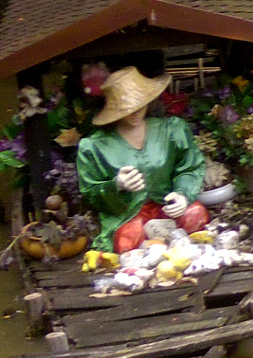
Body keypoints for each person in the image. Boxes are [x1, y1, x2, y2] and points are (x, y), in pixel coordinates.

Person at [76, 66, 209, 251]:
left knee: (196, 214)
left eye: (140, 105)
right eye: (126, 109)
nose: (135, 113)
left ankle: (180, 247)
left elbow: (189, 166)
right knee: (126, 240)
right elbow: (90, 192)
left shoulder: (171, 130)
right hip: (129, 213)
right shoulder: (95, 146)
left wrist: (182, 195)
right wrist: (117, 185)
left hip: (166, 205)